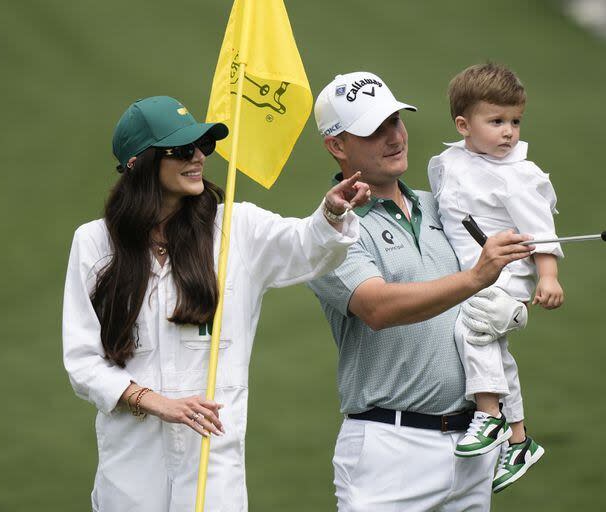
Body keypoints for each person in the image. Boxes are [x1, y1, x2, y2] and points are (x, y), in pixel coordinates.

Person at [62, 95, 369, 512]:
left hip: (212, 468)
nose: (198, 157)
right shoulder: (94, 242)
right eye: (181, 149)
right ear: (140, 163)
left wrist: (331, 214)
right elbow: (83, 362)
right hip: (129, 468)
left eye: (202, 146)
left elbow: (306, 247)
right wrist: (155, 402)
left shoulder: (235, 228)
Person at [308, 71, 535, 511]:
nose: (394, 137)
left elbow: (492, 284)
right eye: (374, 130)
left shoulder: (442, 204)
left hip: (471, 444)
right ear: (337, 145)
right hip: (389, 449)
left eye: (396, 120)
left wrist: (514, 298)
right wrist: (475, 279)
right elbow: (376, 307)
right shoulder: (329, 232)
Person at [428, 62, 565, 492]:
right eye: (497, 121)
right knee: (495, 349)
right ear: (464, 125)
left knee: (475, 328)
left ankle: (489, 416)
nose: (509, 131)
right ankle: (520, 440)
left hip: (505, 277)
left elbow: (541, 230)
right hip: (472, 275)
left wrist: (548, 277)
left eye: (515, 121)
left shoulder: (519, 175)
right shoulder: (449, 162)